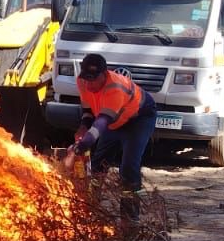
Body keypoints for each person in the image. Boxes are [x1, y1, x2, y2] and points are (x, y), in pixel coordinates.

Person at [67, 52, 157, 218]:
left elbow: (101, 122)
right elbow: (88, 110)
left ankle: (130, 219)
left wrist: (82, 145)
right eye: (86, 79)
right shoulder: (82, 81)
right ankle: (90, 209)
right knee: (98, 165)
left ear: (104, 74)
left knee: (128, 167)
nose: (89, 84)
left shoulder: (115, 88)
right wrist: (83, 127)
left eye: (93, 79)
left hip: (138, 119)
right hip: (113, 119)